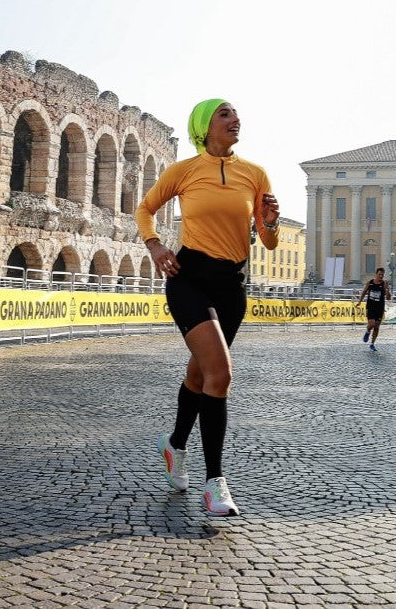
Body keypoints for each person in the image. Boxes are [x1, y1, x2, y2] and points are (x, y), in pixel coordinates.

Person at [135, 99, 279, 517]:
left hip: (232, 285)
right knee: (221, 374)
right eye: (225, 114)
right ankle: (215, 484)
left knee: (200, 374)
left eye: (236, 114)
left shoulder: (255, 174)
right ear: (205, 126)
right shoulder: (184, 170)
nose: (236, 119)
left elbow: (267, 242)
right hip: (190, 278)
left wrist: (268, 222)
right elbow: (145, 209)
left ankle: (175, 445)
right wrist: (156, 244)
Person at [356, 267, 391, 350]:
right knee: (371, 324)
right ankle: (368, 331)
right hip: (371, 306)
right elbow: (364, 291)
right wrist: (360, 301)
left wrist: (386, 289)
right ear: (376, 274)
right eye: (379, 274)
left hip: (380, 308)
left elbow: (389, 298)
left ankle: (372, 343)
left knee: (376, 327)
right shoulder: (370, 282)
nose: (381, 276)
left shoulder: (384, 284)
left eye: (382, 275)